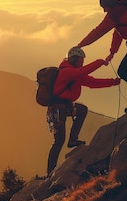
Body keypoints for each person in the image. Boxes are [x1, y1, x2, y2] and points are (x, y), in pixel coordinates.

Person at [46, 46, 120, 175]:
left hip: (63, 108)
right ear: (73, 59)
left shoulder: (74, 73)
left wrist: (112, 82)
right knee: (58, 141)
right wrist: (100, 62)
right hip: (57, 110)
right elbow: (82, 73)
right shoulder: (66, 72)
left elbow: (92, 82)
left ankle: (73, 139)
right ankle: (50, 172)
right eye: (80, 60)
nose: (82, 63)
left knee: (82, 110)